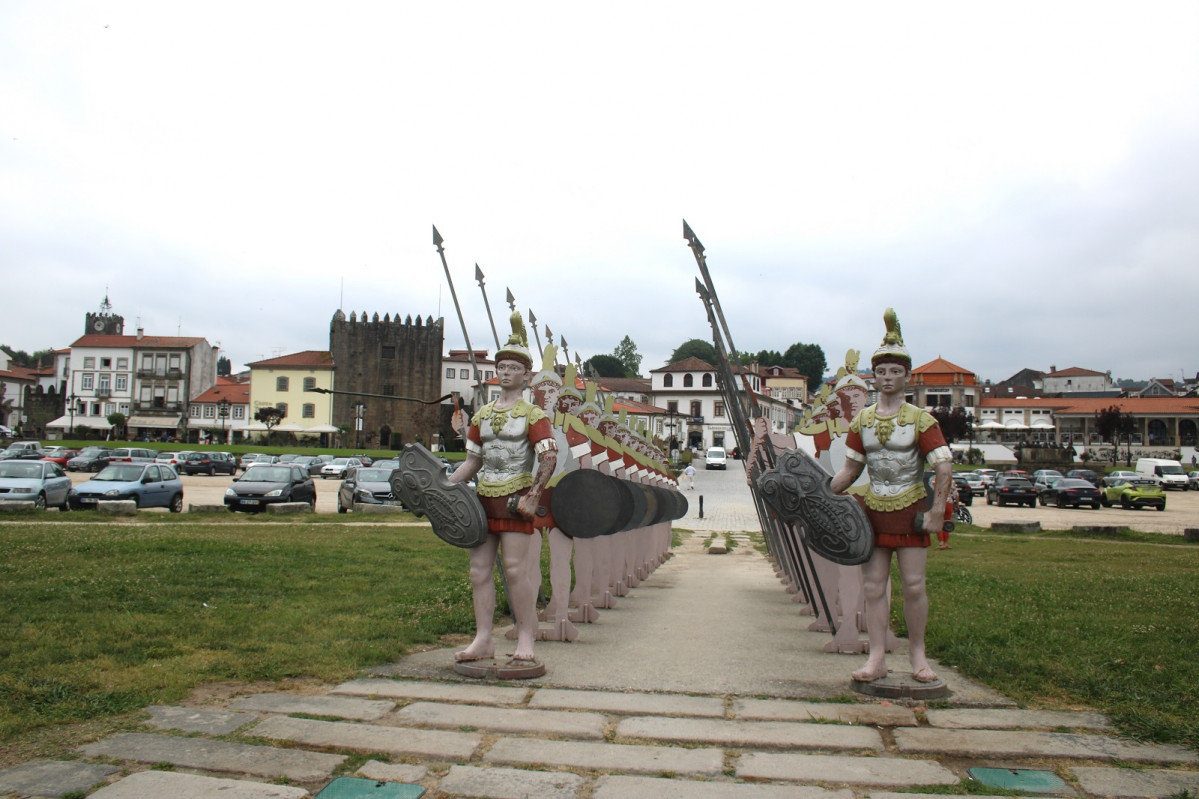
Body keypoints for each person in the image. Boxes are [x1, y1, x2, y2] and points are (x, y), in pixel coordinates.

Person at [830, 308, 953, 684]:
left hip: (911, 505)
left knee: (914, 584)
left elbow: (943, 467)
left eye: (894, 372)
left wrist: (935, 511)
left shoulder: (921, 420)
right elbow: (850, 471)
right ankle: (877, 656)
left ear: (906, 376)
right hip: (874, 508)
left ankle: (918, 655)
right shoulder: (862, 421)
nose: (887, 378)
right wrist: (821, 495)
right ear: (874, 375)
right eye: (881, 372)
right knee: (873, 585)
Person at [448, 312, 557, 665]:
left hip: (515, 497)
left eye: (513, 367)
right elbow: (471, 463)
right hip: (483, 499)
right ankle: (483, 639)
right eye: (502, 366)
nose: (506, 371)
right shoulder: (481, 416)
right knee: (478, 570)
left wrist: (534, 494)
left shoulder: (533, 415)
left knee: (515, 570)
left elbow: (548, 458)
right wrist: (445, 486)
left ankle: (526, 635)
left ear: (526, 376)